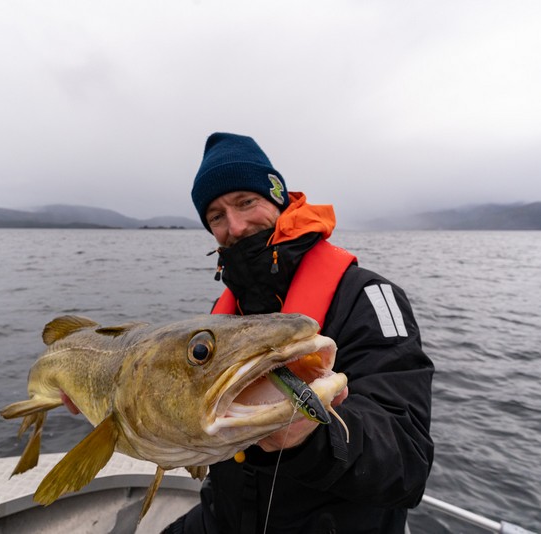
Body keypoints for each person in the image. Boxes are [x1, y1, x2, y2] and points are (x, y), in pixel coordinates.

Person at [162, 133, 434, 534]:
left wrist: (313, 439)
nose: (234, 226)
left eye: (245, 202)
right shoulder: (221, 318)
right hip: (225, 518)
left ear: (278, 198)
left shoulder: (369, 298)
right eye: (216, 216)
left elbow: (407, 461)